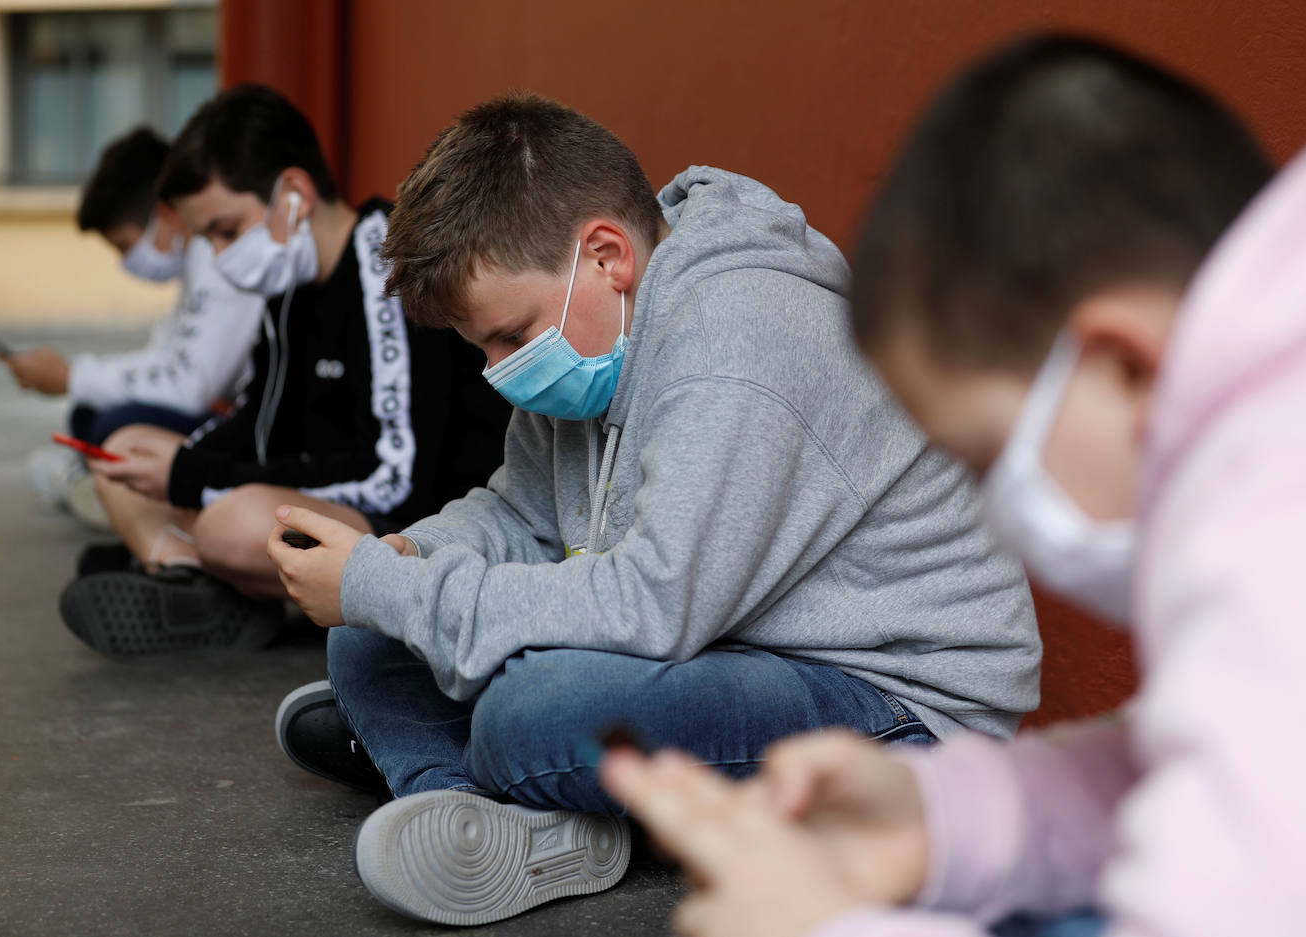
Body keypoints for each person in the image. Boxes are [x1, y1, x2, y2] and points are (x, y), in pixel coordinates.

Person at [264, 92, 1042, 926]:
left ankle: (492, 770)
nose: (498, 370)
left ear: (607, 256)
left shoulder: (736, 349)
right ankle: (476, 810)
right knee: (365, 638)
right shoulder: (597, 329)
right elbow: (519, 515)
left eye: (510, 336)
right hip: (728, 645)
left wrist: (394, 588)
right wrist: (401, 559)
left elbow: (653, 605)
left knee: (536, 710)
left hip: (896, 704)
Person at [602, 34, 1306, 937]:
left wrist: (824, 927)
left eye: (986, 458)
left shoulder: (1276, 530)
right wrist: (942, 816)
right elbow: (1232, 763)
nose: (995, 516)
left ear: (1126, 367)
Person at [58, 84, 511, 658]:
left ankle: (210, 580)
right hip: (313, 492)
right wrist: (182, 466)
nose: (221, 257)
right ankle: (198, 587)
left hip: (406, 521)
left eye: (226, 230)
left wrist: (198, 477)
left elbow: (393, 478)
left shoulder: (385, 264)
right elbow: (260, 418)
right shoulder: (287, 285)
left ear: (294, 193)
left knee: (231, 523)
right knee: (127, 447)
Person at [1, 126, 263, 527]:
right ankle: (105, 484)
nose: (128, 263)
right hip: (222, 413)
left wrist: (73, 375)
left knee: (111, 424)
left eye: (125, 246)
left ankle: (123, 496)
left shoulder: (220, 259)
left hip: (247, 427)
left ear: (167, 213)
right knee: (90, 416)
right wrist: (75, 376)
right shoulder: (199, 258)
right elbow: (165, 358)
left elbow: (189, 389)